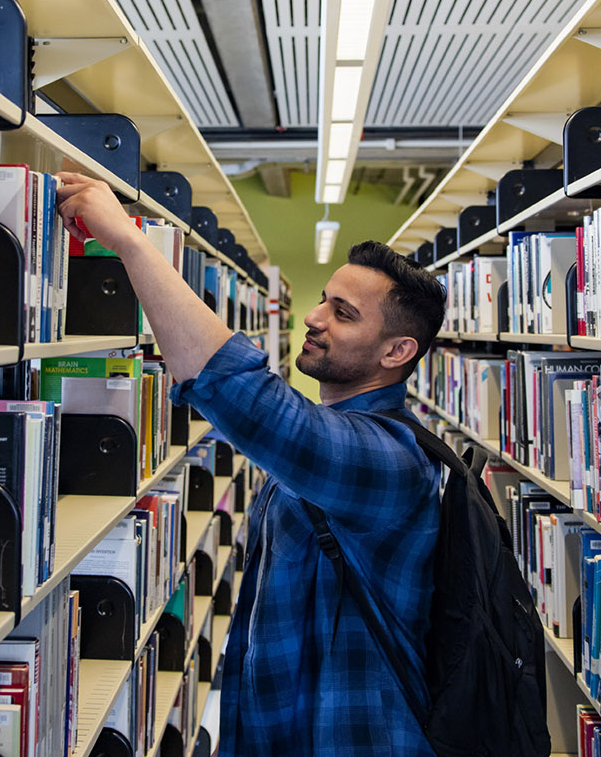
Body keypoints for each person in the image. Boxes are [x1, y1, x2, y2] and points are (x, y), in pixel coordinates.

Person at [57, 172, 446, 756]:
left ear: (397, 352)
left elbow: (247, 397)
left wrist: (133, 244)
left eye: (343, 313)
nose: (314, 317)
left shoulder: (391, 461)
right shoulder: (341, 440)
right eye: (323, 301)